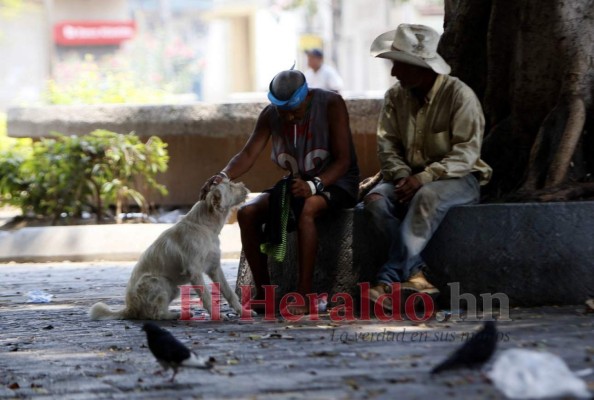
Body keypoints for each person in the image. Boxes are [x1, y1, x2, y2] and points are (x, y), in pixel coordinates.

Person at [200, 69, 360, 315]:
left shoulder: (331, 103)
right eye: (282, 112)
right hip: (296, 183)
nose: (288, 119)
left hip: (336, 183)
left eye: (293, 112)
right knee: (247, 213)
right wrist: (223, 176)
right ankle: (265, 294)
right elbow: (248, 154)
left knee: (308, 208)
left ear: (305, 98)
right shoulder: (270, 115)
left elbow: (344, 161)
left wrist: (314, 185)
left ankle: (304, 294)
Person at [362, 24, 492, 311]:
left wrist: (424, 178)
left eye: (398, 65)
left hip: (457, 178)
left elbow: (467, 153)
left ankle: (387, 278)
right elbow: (388, 146)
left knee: (427, 197)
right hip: (406, 178)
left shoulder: (460, 96)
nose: (393, 72)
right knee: (374, 201)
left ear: (420, 68)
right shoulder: (395, 97)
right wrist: (402, 176)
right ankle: (416, 274)